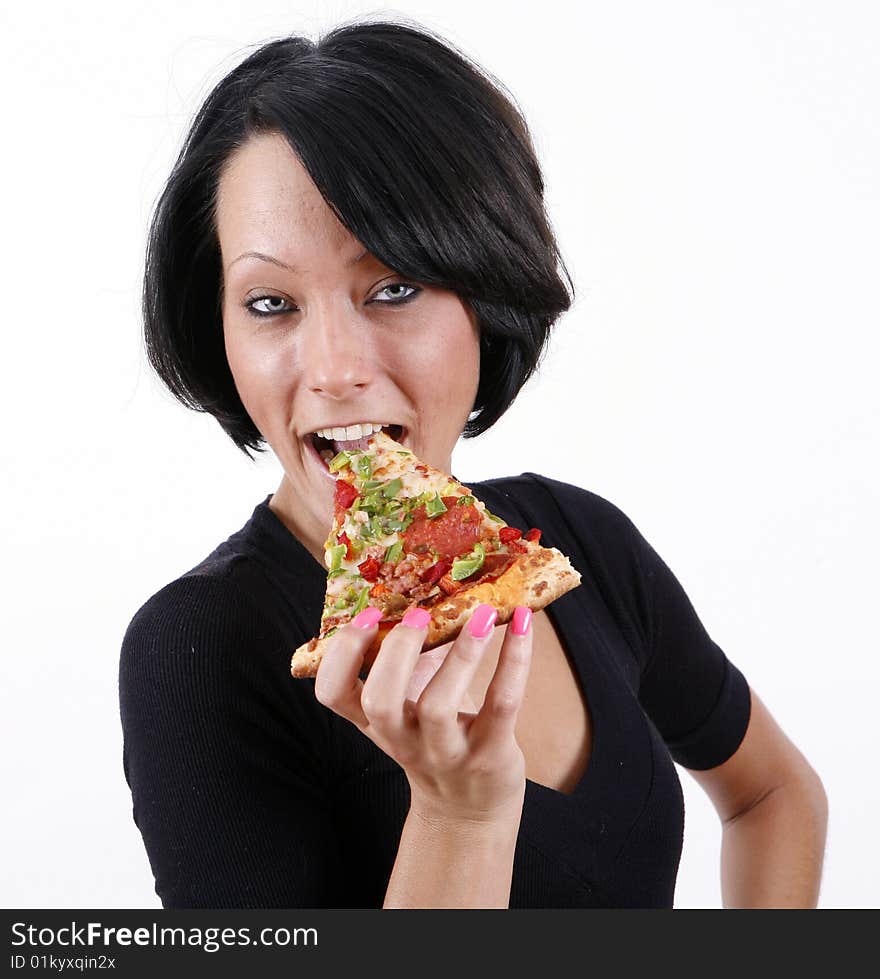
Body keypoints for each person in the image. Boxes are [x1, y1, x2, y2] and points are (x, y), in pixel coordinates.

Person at [119, 19, 828, 909]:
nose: (334, 367)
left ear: (485, 291)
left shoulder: (581, 545)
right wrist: (460, 817)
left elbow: (772, 796)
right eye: (271, 302)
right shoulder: (197, 649)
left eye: (394, 287)